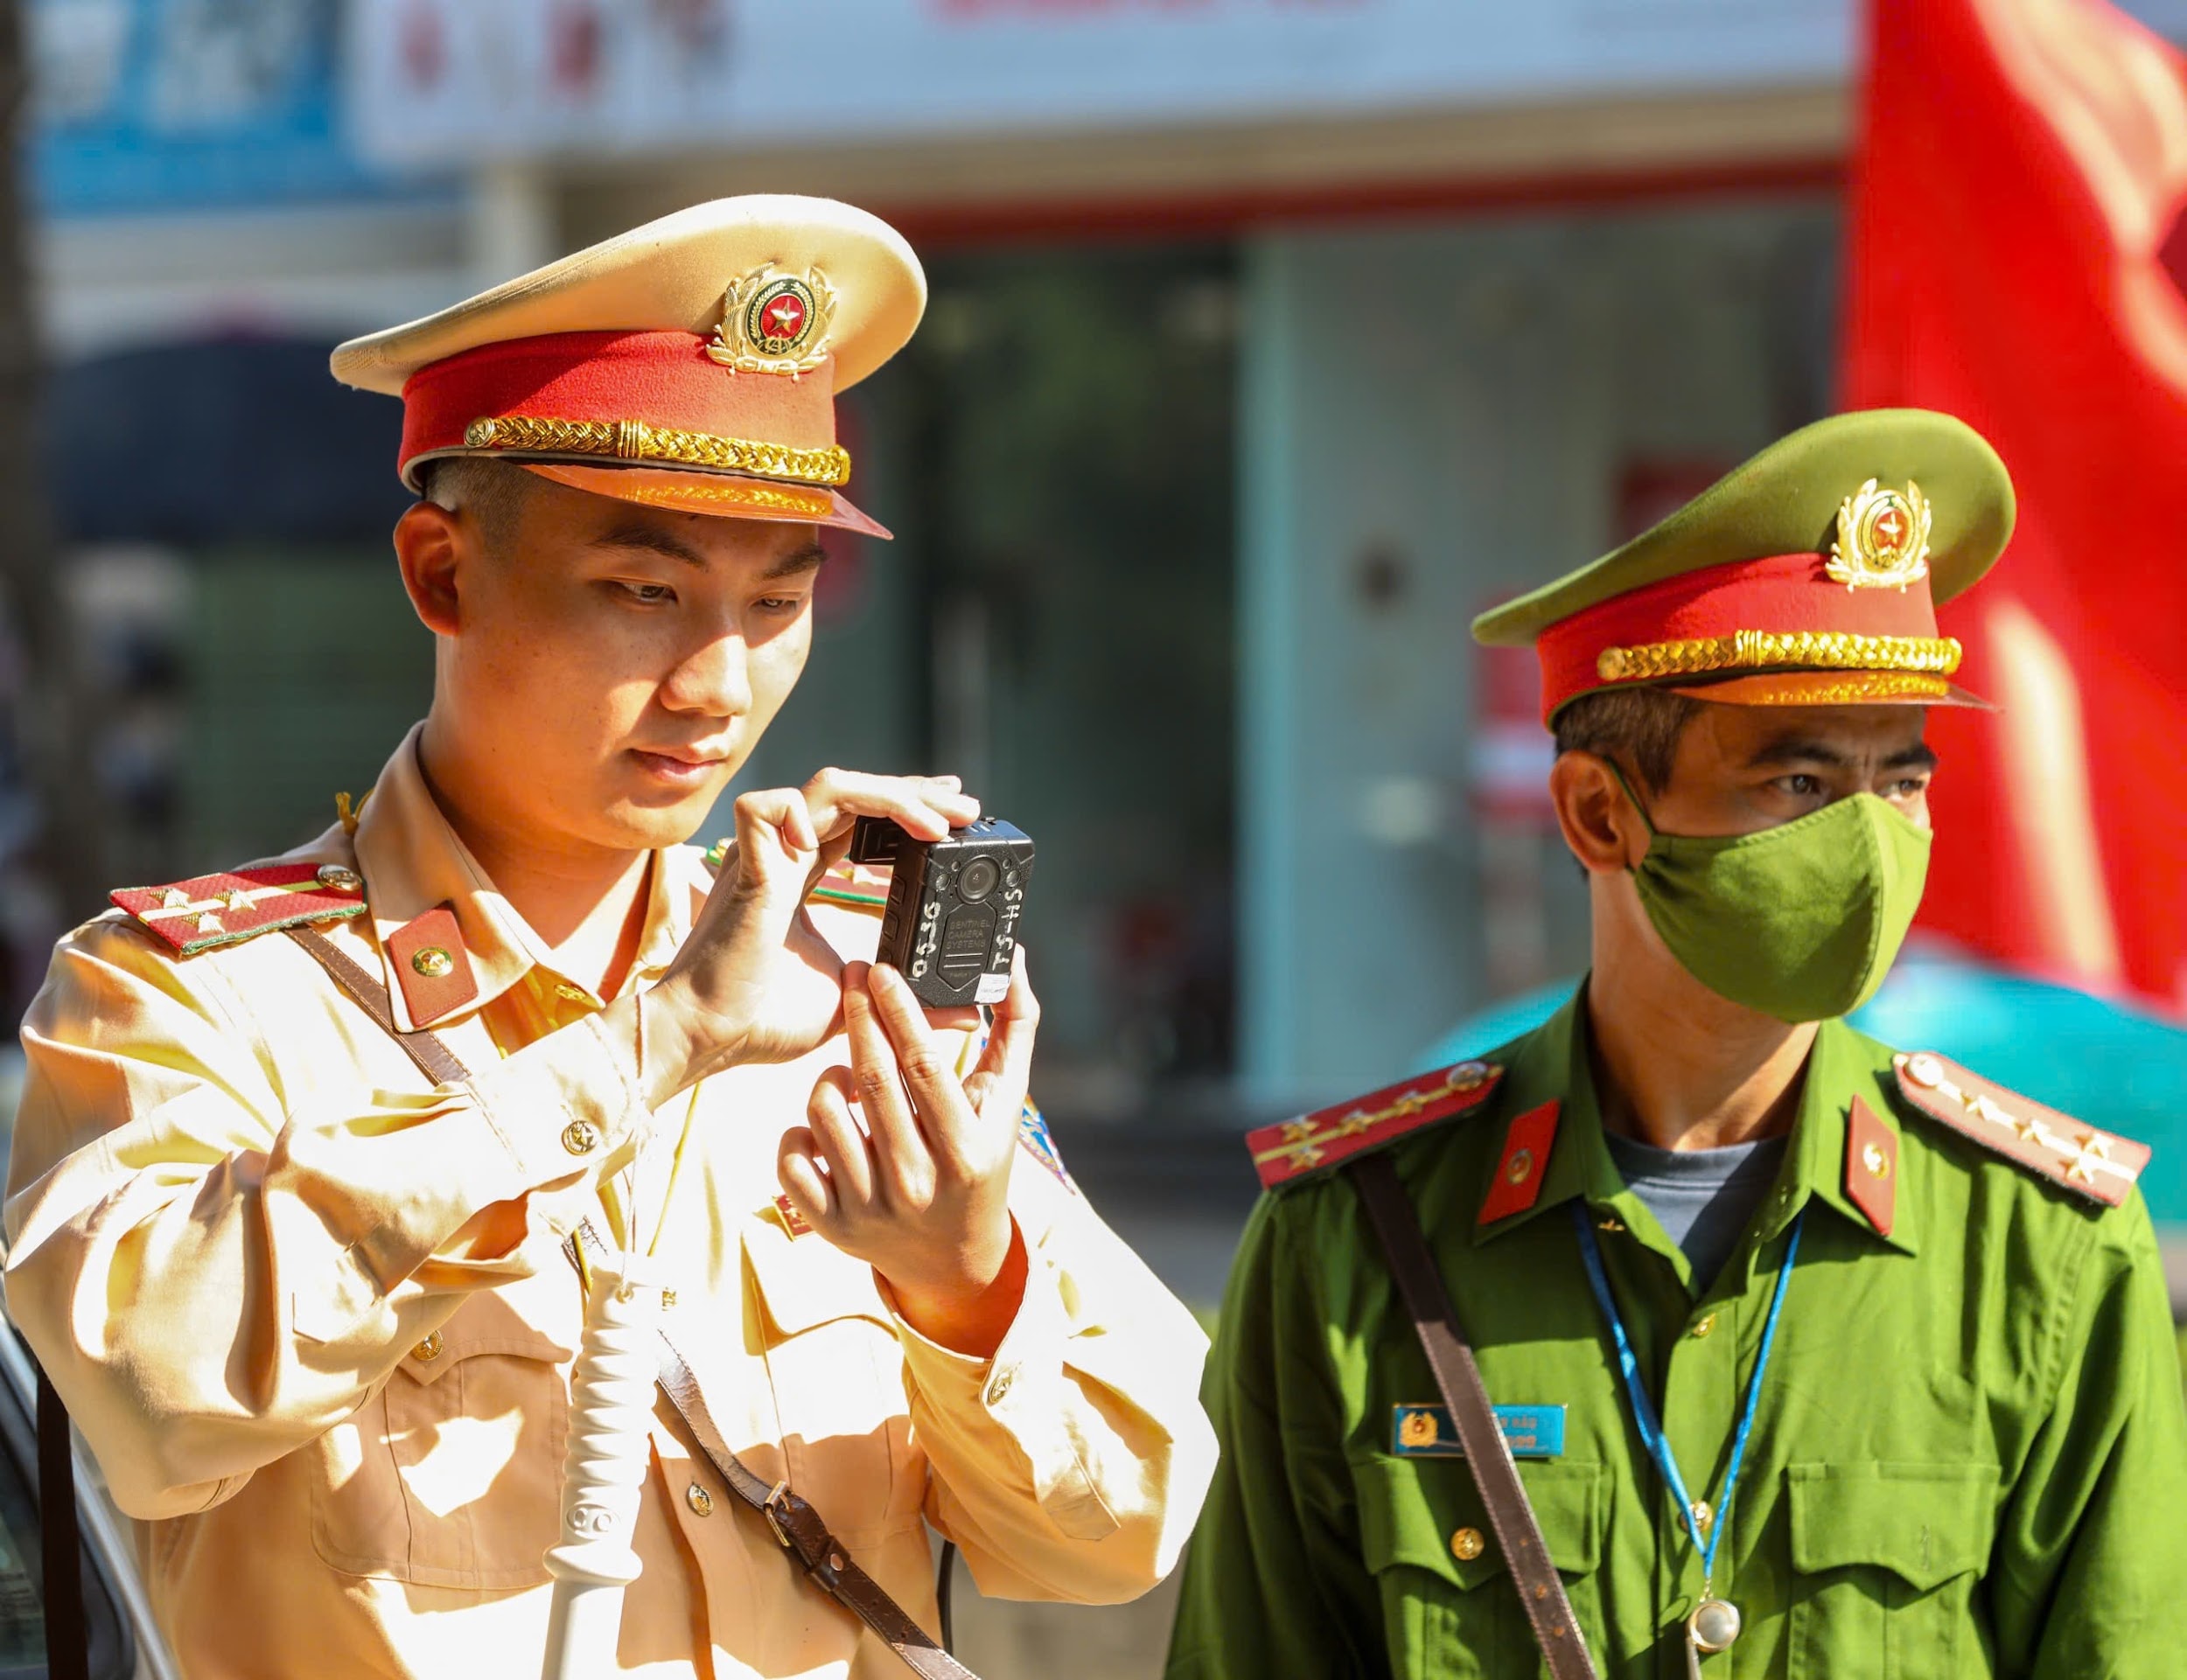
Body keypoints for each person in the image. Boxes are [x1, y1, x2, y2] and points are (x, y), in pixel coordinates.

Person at [5, 196, 1215, 1678]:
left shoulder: (844, 977)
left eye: (777, 601)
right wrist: (646, 1048)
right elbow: (147, 1390)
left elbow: (1119, 1537)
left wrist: (967, 1285)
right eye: (644, 592)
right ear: (442, 574)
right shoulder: (191, 998)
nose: (719, 684)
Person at [1164, 409, 2187, 1677]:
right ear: (1601, 814)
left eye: (1902, 782)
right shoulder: (1353, 1237)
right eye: (1799, 785)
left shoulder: (2045, 1247)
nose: (1871, 847)